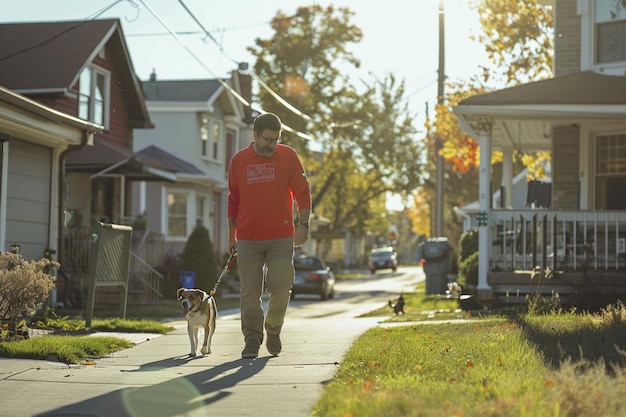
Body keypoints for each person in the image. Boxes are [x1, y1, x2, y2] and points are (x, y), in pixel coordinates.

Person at [227, 112, 311, 358]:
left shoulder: (288, 156)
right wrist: (232, 236)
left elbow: (302, 191)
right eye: (267, 139)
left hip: (281, 237)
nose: (272, 145)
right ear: (254, 135)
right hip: (248, 237)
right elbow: (233, 198)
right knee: (250, 293)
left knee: (281, 288)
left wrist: (303, 224)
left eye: (276, 139)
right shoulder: (239, 161)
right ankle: (252, 339)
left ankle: (273, 330)